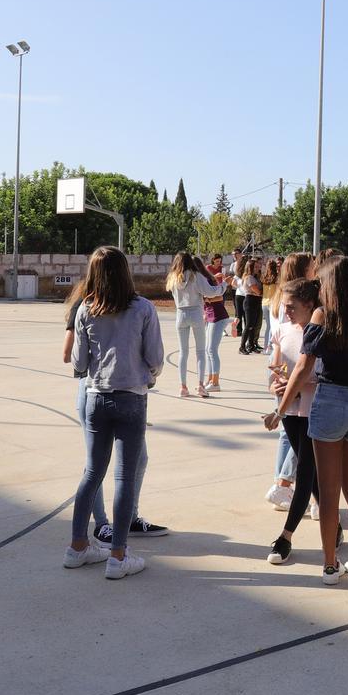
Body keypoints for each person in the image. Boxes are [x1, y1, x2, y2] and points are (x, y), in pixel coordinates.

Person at [264, 256, 348, 587]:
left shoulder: (322, 315)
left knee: (329, 491)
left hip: (330, 401)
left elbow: (304, 366)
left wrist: (280, 409)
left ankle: (330, 567)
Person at [58, 247, 162, 579]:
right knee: (124, 477)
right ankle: (118, 555)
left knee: (92, 474)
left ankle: (77, 546)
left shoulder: (85, 311)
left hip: (95, 397)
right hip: (131, 396)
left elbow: (78, 363)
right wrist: (146, 374)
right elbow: (156, 356)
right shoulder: (143, 308)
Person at [263, 278, 322, 565]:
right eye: (284, 305)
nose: (285, 311)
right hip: (288, 410)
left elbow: (319, 373)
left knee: (306, 472)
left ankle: (285, 537)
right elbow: (274, 368)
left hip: (313, 410)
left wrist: (295, 384)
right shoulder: (283, 330)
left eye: (291, 306)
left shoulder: (320, 332)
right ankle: (333, 525)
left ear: (309, 306)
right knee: (308, 472)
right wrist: (275, 383)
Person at [165, 252, 222, 398]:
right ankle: (201, 385)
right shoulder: (195, 276)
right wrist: (223, 286)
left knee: (183, 352)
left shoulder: (173, 278)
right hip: (196, 312)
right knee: (200, 351)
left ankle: (183, 387)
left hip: (180, 313)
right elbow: (210, 292)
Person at [204, 254, 233, 392]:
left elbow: (219, 297)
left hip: (219, 317)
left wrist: (207, 298)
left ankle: (215, 383)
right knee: (207, 349)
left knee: (211, 349)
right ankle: (210, 379)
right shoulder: (204, 281)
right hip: (210, 317)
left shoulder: (209, 281)